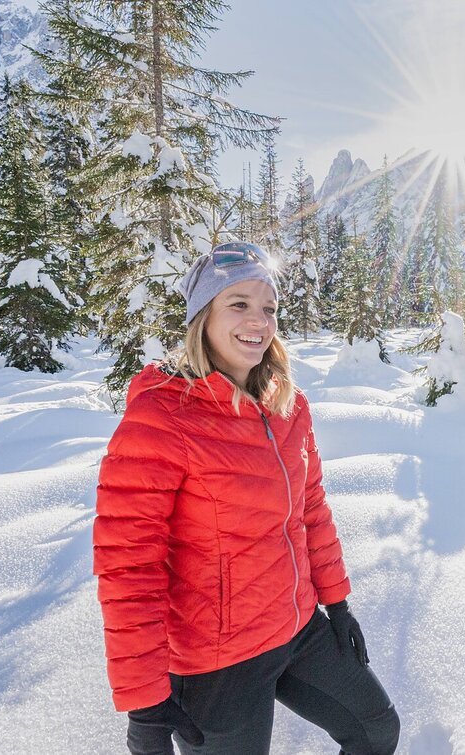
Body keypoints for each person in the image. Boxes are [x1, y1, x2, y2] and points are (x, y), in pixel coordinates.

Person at [93, 241, 400, 755]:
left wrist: (336, 601)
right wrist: (144, 699)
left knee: (375, 731)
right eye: (238, 304)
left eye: (268, 308)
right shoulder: (161, 415)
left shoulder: (288, 404)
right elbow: (128, 563)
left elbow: (311, 509)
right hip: (217, 657)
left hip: (297, 625)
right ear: (202, 317)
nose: (258, 321)